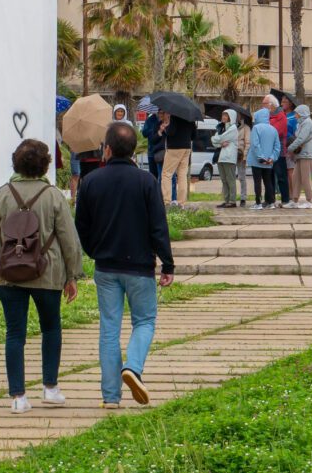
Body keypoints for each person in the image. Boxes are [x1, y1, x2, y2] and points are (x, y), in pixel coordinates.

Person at [0, 138, 84, 413]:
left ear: (15, 162)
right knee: (51, 328)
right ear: (46, 165)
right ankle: (50, 389)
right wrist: (72, 275)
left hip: (8, 273)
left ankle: (18, 397)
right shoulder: (53, 196)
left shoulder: (3, 194)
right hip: (47, 273)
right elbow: (68, 239)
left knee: (15, 333)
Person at [75, 120, 174, 409]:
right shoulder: (147, 182)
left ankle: (110, 397)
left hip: (106, 267)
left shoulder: (91, 181)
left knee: (109, 328)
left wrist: (94, 251)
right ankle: (133, 367)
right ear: (134, 150)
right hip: (140, 266)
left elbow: (82, 226)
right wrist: (167, 264)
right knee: (144, 321)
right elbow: (159, 227)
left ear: (106, 149)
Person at [248, 107, 282, 210]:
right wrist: (272, 158)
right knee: (268, 181)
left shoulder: (256, 128)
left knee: (257, 182)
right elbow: (277, 146)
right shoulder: (273, 129)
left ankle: (258, 203)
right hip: (269, 161)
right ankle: (271, 202)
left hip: (257, 160)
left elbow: (255, 144)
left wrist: (260, 157)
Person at [288, 104, 312, 208]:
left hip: (308, 154)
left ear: (301, 113)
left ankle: (309, 201)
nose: (295, 115)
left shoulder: (307, 123)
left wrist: (290, 148)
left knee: (306, 178)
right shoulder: (301, 123)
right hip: (302, 154)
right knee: (296, 177)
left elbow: (301, 138)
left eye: (296, 113)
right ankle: (295, 200)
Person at [160, 112, 193, 207]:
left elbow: (171, 132)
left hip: (174, 148)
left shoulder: (174, 116)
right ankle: (181, 202)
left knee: (166, 174)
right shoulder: (190, 117)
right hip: (187, 147)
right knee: (182, 175)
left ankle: (166, 201)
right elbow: (194, 135)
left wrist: (166, 127)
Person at [210, 110, 240, 208]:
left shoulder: (233, 128)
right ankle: (226, 200)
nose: (223, 117)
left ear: (231, 117)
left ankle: (232, 201)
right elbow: (213, 141)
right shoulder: (221, 128)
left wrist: (218, 140)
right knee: (224, 180)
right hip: (221, 157)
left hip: (229, 158)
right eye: (223, 114)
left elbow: (219, 138)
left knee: (230, 179)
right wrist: (220, 143)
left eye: (226, 115)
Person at [141, 106, 166, 190]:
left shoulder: (167, 119)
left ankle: (162, 193)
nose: (160, 114)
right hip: (152, 151)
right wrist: (154, 130)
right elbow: (144, 133)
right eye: (159, 112)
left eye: (162, 112)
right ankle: (153, 192)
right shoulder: (150, 119)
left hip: (164, 151)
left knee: (164, 175)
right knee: (153, 175)